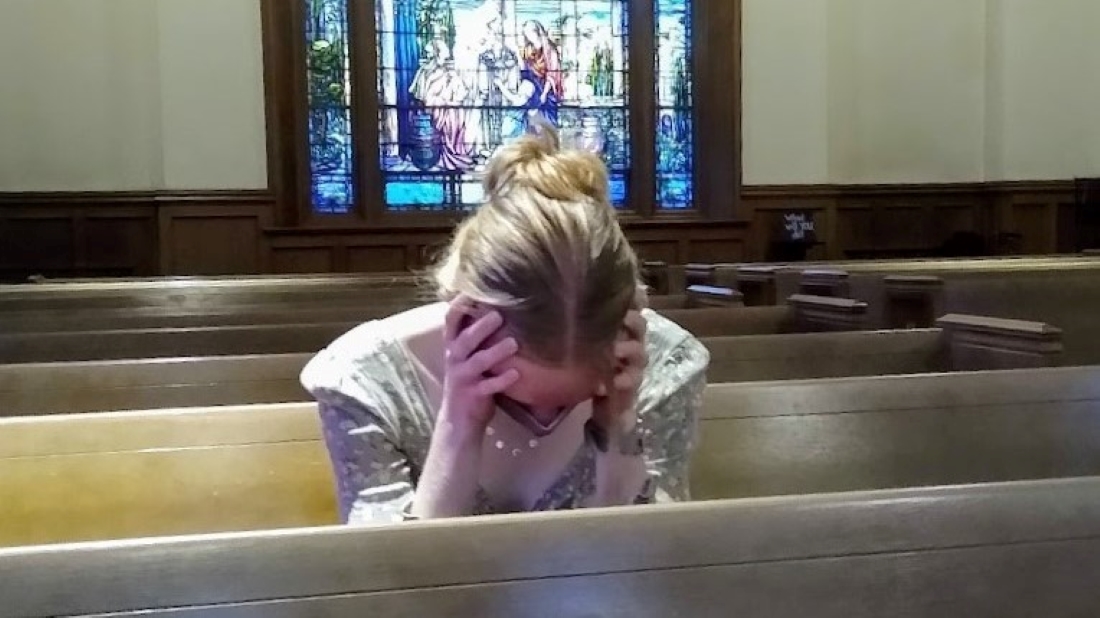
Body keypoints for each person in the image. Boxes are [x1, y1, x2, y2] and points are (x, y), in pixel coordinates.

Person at [300, 119, 710, 525]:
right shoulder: (368, 381)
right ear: (467, 323)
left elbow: (649, 571)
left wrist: (619, 426)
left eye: (571, 400)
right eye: (517, 398)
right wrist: (459, 428)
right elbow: (392, 581)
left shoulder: (660, 366)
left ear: (624, 328)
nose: (545, 420)